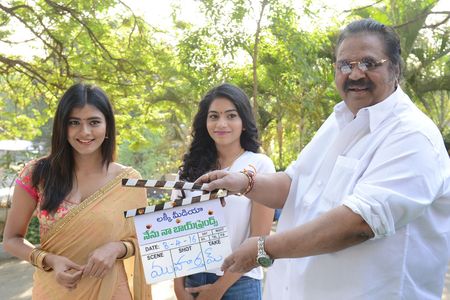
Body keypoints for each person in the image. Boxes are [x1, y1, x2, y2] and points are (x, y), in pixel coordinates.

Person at [197, 19, 450, 299]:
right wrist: (243, 182)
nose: (355, 74)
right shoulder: (339, 120)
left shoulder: (412, 135)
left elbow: (359, 223)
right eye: (345, 65)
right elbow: (296, 184)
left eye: (369, 63)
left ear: (395, 69)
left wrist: (264, 248)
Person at [3, 83, 152, 300]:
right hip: (53, 291)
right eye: (74, 123)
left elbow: (146, 239)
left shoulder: (129, 181)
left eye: (94, 122)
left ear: (107, 126)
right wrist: (49, 260)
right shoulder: (37, 174)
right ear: (62, 127)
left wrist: (117, 248)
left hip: (111, 291)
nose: (85, 132)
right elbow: (11, 239)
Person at [173, 83, 275, 300]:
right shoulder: (188, 169)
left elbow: (259, 239)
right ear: (205, 122)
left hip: (240, 282)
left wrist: (218, 288)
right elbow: (177, 230)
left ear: (244, 123)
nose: (221, 124)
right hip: (192, 279)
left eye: (231, 116)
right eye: (214, 116)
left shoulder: (259, 165)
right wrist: (177, 286)